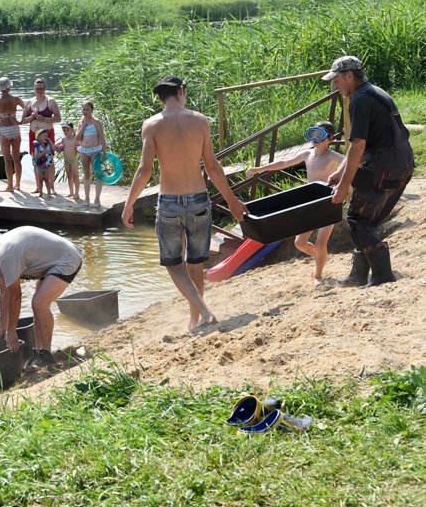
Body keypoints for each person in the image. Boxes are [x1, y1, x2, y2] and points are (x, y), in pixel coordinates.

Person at [121, 75, 247, 331]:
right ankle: (196, 319)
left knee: (173, 264)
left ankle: (203, 312)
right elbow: (212, 167)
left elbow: (144, 171)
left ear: (159, 97)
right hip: (199, 200)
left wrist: (128, 204)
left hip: (169, 203)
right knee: (195, 264)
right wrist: (232, 201)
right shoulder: (200, 120)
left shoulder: (152, 125)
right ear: (181, 91)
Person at [324, 56, 414, 288]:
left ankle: (383, 275)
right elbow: (364, 143)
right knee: (367, 221)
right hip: (403, 163)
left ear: (350, 76)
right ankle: (358, 274)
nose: (335, 85)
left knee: (357, 217)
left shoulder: (360, 100)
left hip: (385, 165)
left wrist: (343, 186)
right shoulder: (375, 91)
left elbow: (358, 145)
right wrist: (341, 171)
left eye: (336, 80)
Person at [0, 226, 83, 372]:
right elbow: (4, 293)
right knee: (37, 307)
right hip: (49, 263)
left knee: (39, 303)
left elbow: (15, 295)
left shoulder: (6, 253)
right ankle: (39, 351)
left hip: (66, 259)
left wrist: (12, 330)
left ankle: (46, 355)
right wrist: (2, 326)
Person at [247, 121, 345, 286]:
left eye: (319, 135)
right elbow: (284, 163)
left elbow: (349, 164)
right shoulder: (307, 154)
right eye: (313, 134)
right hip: (310, 203)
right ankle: (323, 258)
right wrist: (259, 169)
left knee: (321, 243)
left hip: (328, 203)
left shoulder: (333, 156)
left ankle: (318, 276)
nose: (315, 138)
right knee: (300, 243)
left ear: (329, 139)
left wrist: (342, 181)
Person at [23, 78, 61, 192]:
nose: (39, 91)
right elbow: (23, 120)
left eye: (42, 88)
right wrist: (31, 117)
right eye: (37, 89)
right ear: (34, 88)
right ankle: (38, 186)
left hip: (47, 135)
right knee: (35, 159)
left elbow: (58, 118)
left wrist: (44, 119)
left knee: (50, 159)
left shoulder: (51, 101)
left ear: (45, 88)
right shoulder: (29, 102)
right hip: (34, 135)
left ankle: (52, 186)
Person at [0, 76, 26, 192]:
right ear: (9, 87)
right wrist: (21, 120)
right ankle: (18, 184)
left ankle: (10, 186)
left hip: (4, 130)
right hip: (15, 128)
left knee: (7, 159)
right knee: (16, 159)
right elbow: (27, 109)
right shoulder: (16, 99)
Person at [75, 101, 109, 208]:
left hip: (95, 150)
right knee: (86, 174)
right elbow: (77, 138)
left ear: (92, 110)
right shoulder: (81, 122)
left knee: (97, 174)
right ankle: (87, 199)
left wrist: (104, 152)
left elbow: (102, 138)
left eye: (87, 110)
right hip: (84, 150)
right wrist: (83, 126)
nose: (85, 112)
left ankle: (97, 199)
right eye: (83, 109)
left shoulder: (96, 122)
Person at [58, 122, 81, 200]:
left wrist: (79, 157)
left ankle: (76, 193)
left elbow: (80, 148)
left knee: (75, 176)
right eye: (64, 130)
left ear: (72, 130)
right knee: (69, 177)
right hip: (66, 161)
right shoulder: (64, 140)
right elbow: (57, 146)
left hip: (74, 160)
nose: (66, 132)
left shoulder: (75, 139)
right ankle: (71, 192)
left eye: (67, 130)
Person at [32, 128, 56, 198]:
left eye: (47, 136)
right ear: (38, 138)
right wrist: (44, 152)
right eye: (44, 136)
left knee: (46, 180)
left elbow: (54, 149)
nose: (46, 137)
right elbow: (36, 156)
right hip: (39, 166)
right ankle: (40, 193)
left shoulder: (48, 145)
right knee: (40, 180)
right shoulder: (37, 147)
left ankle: (49, 193)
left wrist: (51, 141)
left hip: (46, 166)